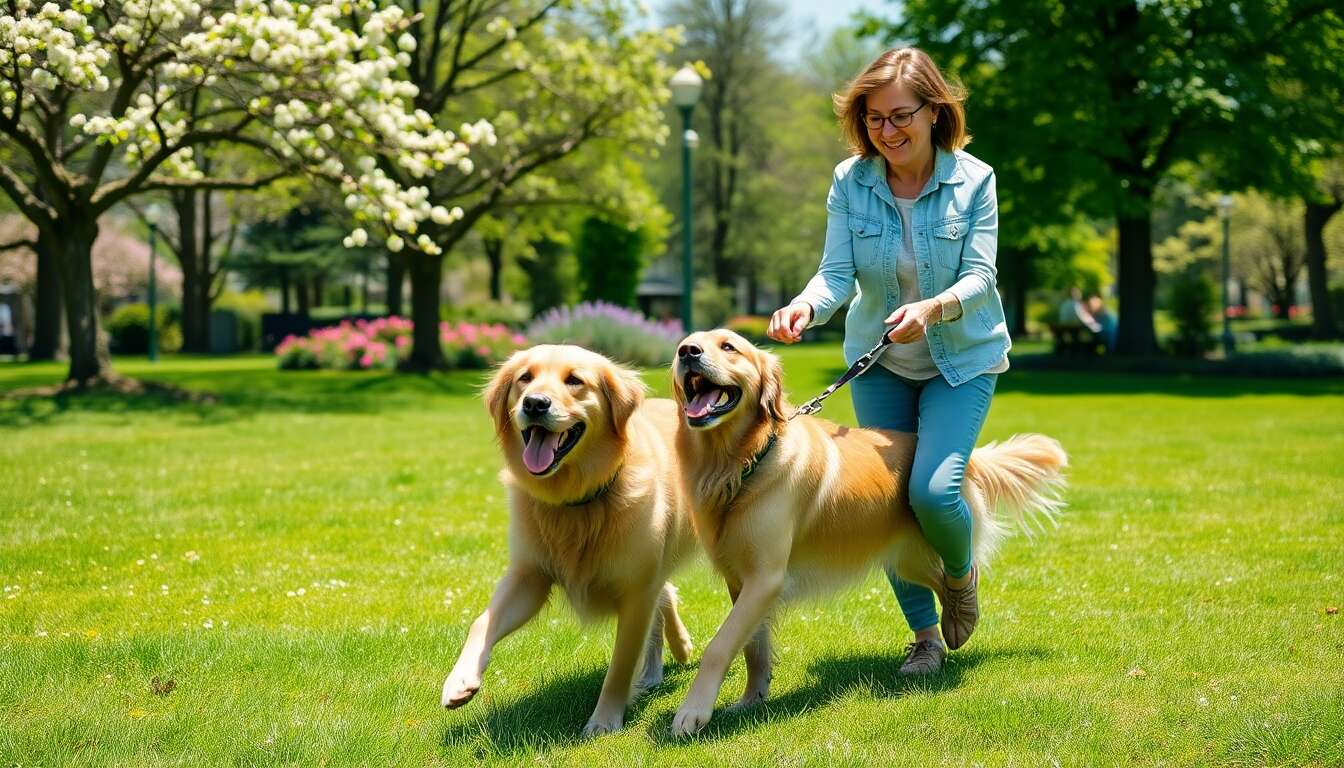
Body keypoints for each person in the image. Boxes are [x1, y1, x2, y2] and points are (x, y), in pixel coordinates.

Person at [766, 47, 1010, 675]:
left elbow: (981, 275)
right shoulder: (851, 181)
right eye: (874, 118)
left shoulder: (975, 180)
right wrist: (805, 307)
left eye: (901, 115)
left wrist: (932, 308)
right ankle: (925, 638)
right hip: (880, 364)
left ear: (934, 112)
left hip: (962, 360)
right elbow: (836, 272)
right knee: (885, 505)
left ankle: (960, 576)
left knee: (932, 492)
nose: (888, 130)